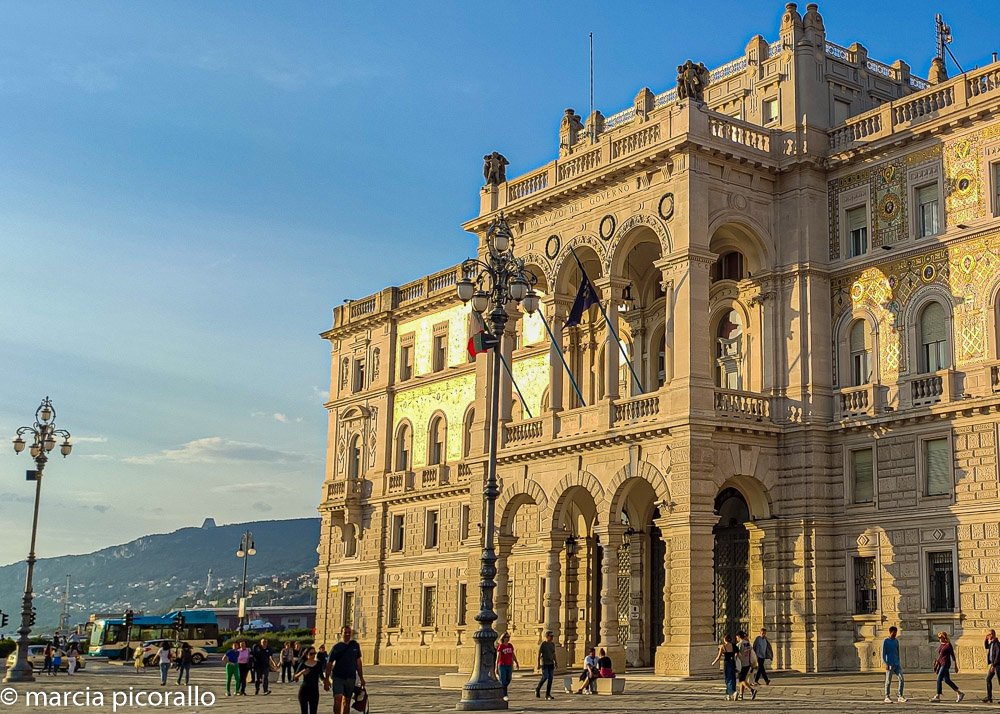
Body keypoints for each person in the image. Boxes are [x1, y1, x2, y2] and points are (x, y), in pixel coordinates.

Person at [324, 626, 365, 714]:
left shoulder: (355, 645)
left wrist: (361, 677)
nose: (347, 634)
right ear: (341, 633)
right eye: (345, 632)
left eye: (349, 632)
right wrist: (326, 679)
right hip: (338, 677)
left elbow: (358, 662)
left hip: (351, 677)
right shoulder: (336, 647)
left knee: (347, 701)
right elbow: (329, 663)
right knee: (338, 698)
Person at [931, 631, 964, 702]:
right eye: (938, 637)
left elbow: (953, 655)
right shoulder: (941, 645)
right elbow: (940, 655)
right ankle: (959, 693)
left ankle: (937, 695)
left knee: (939, 678)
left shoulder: (948, 645)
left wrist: (956, 666)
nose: (939, 639)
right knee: (947, 680)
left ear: (944, 637)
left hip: (945, 664)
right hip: (941, 663)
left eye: (940, 637)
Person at [294, 646, 328, 714]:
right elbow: (295, 678)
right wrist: (301, 672)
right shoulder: (303, 664)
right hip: (304, 690)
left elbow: (321, 677)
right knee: (304, 711)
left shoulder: (318, 664)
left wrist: (325, 683)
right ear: (306, 654)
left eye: (314, 653)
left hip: (314, 691)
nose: (313, 655)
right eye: (311, 654)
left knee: (313, 711)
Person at [881, 625, 906, 703]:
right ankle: (887, 696)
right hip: (890, 664)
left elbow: (897, 652)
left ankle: (900, 696)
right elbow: (883, 653)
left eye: (896, 633)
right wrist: (886, 663)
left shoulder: (896, 641)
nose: (895, 634)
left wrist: (898, 661)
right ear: (890, 632)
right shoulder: (886, 641)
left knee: (901, 679)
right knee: (888, 681)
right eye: (894, 633)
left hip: (897, 664)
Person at [712, 633, 738, 700]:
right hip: (732, 663)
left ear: (724, 639)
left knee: (728, 678)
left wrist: (713, 662)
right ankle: (732, 693)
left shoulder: (723, 647)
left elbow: (718, 657)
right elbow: (738, 655)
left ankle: (730, 693)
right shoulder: (733, 645)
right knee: (733, 677)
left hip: (727, 663)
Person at [495, 632, 519, 701]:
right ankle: (505, 695)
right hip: (502, 665)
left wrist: (516, 662)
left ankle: (501, 688)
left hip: (509, 665)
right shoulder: (501, 646)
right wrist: (496, 667)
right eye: (507, 637)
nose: (508, 639)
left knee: (508, 679)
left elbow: (512, 655)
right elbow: (498, 657)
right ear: (503, 638)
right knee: (503, 679)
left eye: (509, 637)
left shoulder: (510, 645)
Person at [735, 630, 757, 700]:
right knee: (743, 679)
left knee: (741, 680)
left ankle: (752, 690)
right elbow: (750, 652)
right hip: (748, 663)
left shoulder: (739, 644)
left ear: (738, 636)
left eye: (737, 637)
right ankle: (741, 694)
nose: (736, 638)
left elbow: (736, 654)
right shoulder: (747, 643)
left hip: (742, 664)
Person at [535, 630, 556, 700]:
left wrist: (556, 661)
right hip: (545, 663)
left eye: (552, 636)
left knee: (550, 679)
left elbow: (553, 653)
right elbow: (538, 654)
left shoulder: (552, 644)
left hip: (551, 663)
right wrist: (538, 664)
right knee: (545, 677)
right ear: (547, 637)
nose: (552, 637)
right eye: (551, 636)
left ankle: (548, 694)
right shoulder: (543, 644)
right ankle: (538, 688)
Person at [983, 629, 1000, 703]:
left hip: (998, 665)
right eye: (988, 635)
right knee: (988, 679)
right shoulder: (992, 643)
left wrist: (993, 665)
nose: (988, 636)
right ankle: (989, 697)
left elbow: (998, 655)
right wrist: (986, 639)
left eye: (989, 634)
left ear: (993, 634)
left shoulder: (997, 644)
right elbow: (986, 647)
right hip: (993, 664)